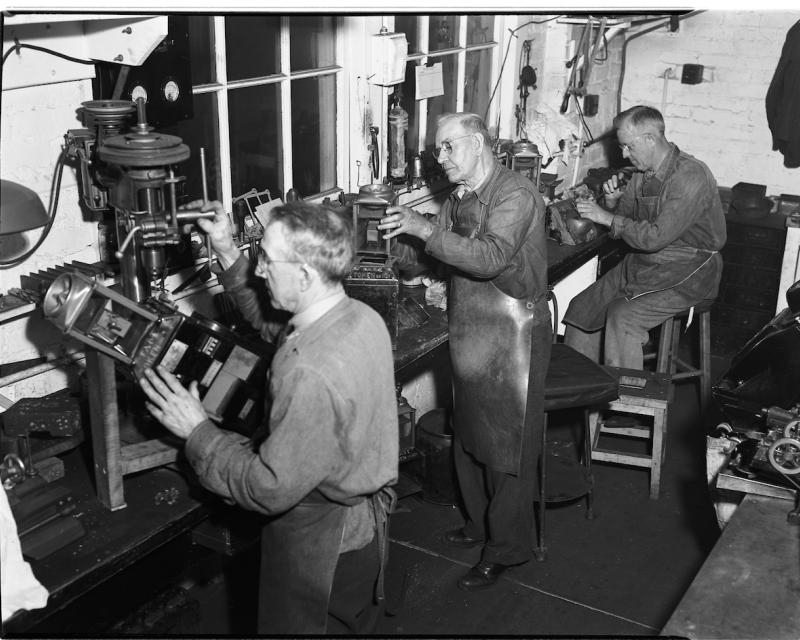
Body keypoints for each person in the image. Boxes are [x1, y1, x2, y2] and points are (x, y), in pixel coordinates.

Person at [138, 200, 399, 634]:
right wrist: (224, 249)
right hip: (363, 535)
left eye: (266, 259)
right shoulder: (358, 317)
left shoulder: (308, 370)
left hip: (323, 548)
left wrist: (196, 431)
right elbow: (275, 324)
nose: (259, 270)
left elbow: (268, 487)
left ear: (305, 274)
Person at [378, 112, 551, 591]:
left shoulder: (516, 193)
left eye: (448, 147)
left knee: (507, 445)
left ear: (476, 144)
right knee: (472, 434)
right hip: (473, 323)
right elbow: (444, 252)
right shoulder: (458, 197)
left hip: (514, 328)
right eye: (438, 150)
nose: (441, 158)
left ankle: (507, 547)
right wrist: (397, 233)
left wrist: (422, 226)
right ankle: (479, 525)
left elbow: (492, 257)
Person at [563, 105, 727, 370]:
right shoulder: (641, 174)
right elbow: (627, 219)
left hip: (689, 269)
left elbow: (654, 237)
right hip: (645, 263)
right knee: (582, 308)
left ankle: (625, 404)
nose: (625, 155)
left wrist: (605, 217)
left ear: (650, 139)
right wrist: (613, 204)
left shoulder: (691, 175)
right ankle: (583, 394)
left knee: (623, 317)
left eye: (629, 146)